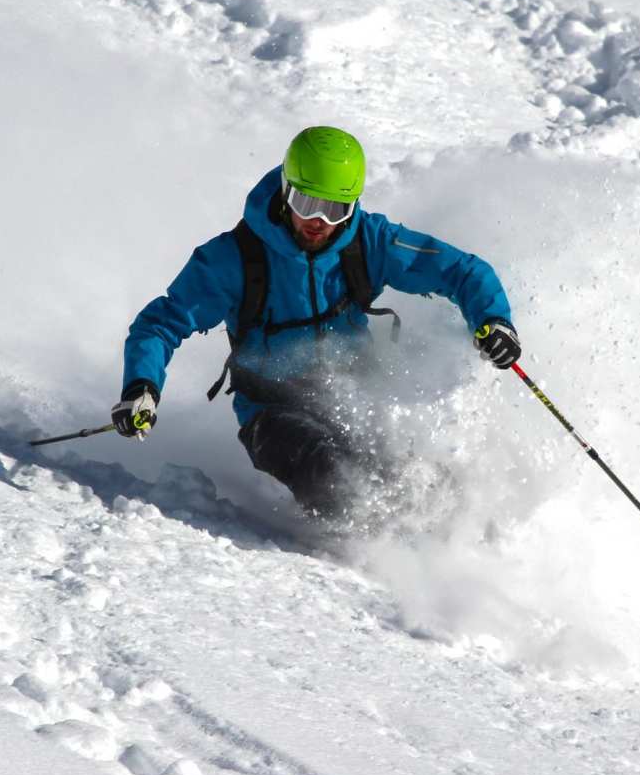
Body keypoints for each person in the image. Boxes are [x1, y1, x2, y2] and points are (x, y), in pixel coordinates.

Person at [113, 126, 521, 516]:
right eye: (307, 204)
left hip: (357, 399)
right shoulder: (234, 258)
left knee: (425, 480)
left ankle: (469, 540)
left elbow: (463, 271)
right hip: (271, 410)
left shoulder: (369, 242)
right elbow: (161, 324)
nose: (319, 222)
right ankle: (377, 550)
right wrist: (141, 387)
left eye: (335, 209)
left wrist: (494, 320)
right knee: (335, 477)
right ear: (286, 191)